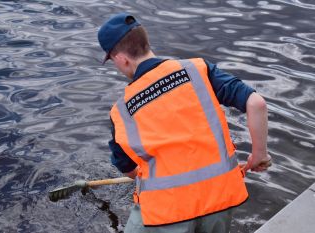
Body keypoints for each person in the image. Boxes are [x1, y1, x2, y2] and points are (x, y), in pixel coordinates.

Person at [97, 12, 271, 233]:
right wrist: (259, 154)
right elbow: (256, 104)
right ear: (145, 42)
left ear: (121, 59)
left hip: (167, 215)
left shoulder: (120, 112)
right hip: (219, 199)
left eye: (113, 61)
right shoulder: (198, 70)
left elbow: (129, 169)